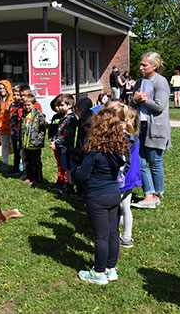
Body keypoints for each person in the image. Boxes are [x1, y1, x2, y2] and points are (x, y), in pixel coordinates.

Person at [72, 109, 128, 285]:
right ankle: (111, 268)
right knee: (112, 233)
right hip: (114, 194)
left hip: (97, 196)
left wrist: (75, 171)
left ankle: (98, 272)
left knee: (101, 236)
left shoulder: (95, 151)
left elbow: (82, 175)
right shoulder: (118, 150)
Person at [129, 51, 171, 208]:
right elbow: (132, 104)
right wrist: (135, 100)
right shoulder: (140, 82)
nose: (140, 68)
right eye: (140, 64)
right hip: (141, 126)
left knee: (155, 161)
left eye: (144, 65)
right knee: (139, 161)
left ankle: (157, 194)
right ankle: (149, 193)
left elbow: (159, 107)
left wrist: (143, 100)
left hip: (156, 128)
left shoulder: (161, 82)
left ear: (154, 66)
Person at [110, 103, 141, 248]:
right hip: (132, 175)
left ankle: (117, 234)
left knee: (117, 206)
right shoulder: (133, 134)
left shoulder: (124, 137)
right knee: (125, 206)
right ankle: (127, 235)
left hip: (124, 177)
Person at [50, 94, 78, 196]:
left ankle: (70, 187)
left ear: (69, 105)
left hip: (67, 147)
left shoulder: (72, 118)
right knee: (65, 167)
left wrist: (56, 143)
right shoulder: (63, 117)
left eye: (62, 105)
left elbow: (66, 134)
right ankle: (67, 185)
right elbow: (58, 131)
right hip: (61, 147)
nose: (60, 108)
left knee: (69, 168)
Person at [19, 93, 47, 185]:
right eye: (25, 105)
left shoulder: (39, 115)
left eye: (29, 105)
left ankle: (37, 179)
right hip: (26, 143)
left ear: (34, 104)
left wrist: (38, 140)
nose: (27, 107)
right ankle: (29, 177)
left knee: (36, 163)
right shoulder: (24, 115)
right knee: (28, 162)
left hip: (35, 144)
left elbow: (43, 129)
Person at [72, 97, 94, 199]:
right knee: (75, 172)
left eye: (79, 111)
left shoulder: (88, 122)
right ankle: (80, 192)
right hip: (79, 149)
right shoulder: (82, 120)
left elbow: (86, 139)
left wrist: (82, 152)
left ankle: (83, 193)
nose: (77, 113)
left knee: (79, 173)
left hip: (83, 151)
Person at [0, 80, 13, 171]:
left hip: (13, 127)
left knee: (15, 146)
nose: (2, 90)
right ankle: (5, 163)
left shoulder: (13, 99)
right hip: (2, 128)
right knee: (4, 145)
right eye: (0, 88)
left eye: (3, 88)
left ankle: (20, 163)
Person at [48, 95, 66, 192]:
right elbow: (51, 128)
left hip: (62, 145)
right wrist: (50, 137)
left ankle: (64, 181)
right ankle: (59, 180)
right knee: (59, 163)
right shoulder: (55, 117)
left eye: (59, 106)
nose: (58, 108)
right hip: (54, 143)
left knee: (63, 164)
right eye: (56, 106)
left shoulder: (65, 118)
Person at [8, 85, 23, 174]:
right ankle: (15, 167)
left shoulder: (23, 106)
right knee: (15, 151)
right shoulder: (12, 105)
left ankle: (23, 167)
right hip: (13, 131)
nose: (16, 97)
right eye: (14, 95)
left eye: (18, 95)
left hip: (20, 131)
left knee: (22, 151)